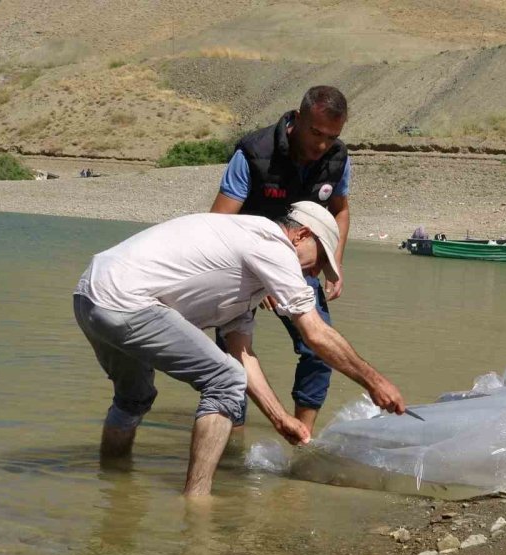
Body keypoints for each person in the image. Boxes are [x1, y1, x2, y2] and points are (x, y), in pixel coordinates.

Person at [73, 201, 406, 498]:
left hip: (90, 296)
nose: (316, 273)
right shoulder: (271, 243)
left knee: (134, 398)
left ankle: (113, 484)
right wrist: (375, 382)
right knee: (224, 381)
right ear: (301, 234)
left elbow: (242, 354)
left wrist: (280, 419)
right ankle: (197, 502)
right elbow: (315, 333)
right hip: (126, 300)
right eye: (319, 260)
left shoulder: (249, 275)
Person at [210, 85, 352, 432]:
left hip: (297, 264)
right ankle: (233, 440)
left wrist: (334, 261)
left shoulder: (336, 157)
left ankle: (302, 437)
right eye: (315, 133)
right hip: (240, 266)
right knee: (232, 361)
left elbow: (341, 211)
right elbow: (217, 224)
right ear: (298, 117)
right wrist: (263, 274)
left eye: (331, 136)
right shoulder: (254, 153)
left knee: (320, 349)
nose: (322, 145)